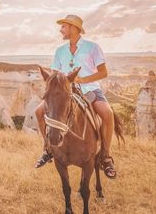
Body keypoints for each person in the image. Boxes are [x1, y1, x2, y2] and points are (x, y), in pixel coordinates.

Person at [35, 14, 117, 179]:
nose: (61, 30)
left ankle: (105, 156)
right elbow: (55, 75)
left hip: (89, 90)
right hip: (65, 93)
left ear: (73, 28)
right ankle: (48, 149)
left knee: (107, 113)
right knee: (38, 112)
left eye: (64, 26)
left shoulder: (93, 47)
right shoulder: (60, 51)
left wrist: (83, 79)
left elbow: (103, 72)